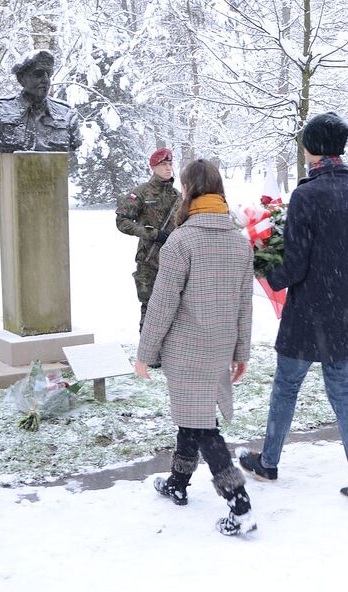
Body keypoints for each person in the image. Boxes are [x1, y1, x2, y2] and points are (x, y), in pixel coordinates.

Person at [237, 112, 348, 504]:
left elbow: (297, 263)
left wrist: (267, 270)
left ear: (313, 149)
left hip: (309, 313)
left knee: (286, 388)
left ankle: (268, 462)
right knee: (342, 393)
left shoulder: (307, 195)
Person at [135, 159, 256, 536]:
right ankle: (178, 482)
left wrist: (145, 352)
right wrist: (241, 352)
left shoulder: (181, 241)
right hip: (219, 346)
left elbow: (162, 303)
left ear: (188, 192)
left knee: (202, 426)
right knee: (195, 416)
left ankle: (240, 504)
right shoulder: (240, 242)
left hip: (186, 350)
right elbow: (244, 303)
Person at [116, 148, 181, 332]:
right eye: (163, 165)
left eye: (170, 164)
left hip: (173, 260)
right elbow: (122, 221)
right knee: (150, 308)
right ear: (153, 167)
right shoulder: (141, 193)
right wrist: (152, 234)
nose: (168, 168)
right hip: (148, 260)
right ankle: (148, 356)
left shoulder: (177, 196)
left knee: (173, 308)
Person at [0, 49, 82, 153]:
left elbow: (74, 144)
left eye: (48, 74)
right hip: (12, 171)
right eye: (38, 74)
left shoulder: (66, 114)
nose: (45, 80)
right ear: (21, 79)